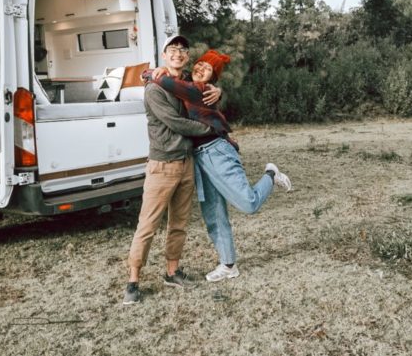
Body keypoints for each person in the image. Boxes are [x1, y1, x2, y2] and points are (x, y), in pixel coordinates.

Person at [147, 49, 292, 283]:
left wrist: (151, 72)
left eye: (208, 69)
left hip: (215, 151)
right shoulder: (192, 86)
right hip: (200, 157)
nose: (201, 69)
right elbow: (173, 83)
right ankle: (228, 265)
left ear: (212, 79)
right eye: (200, 64)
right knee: (214, 214)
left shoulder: (199, 90)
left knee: (248, 203)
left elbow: (166, 82)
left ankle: (270, 174)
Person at [123, 35, 219, 305]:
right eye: (172, 49)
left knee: (179, 223)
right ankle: (132, 281)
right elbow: (176, 122)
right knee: (148, 225)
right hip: (162, 165)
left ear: (187, 56)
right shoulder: (155, 88)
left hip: (187, 163)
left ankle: (172, 272)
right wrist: (211, 130)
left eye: (182, 50)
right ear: (164, 55)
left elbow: (209, 89)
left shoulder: (188, 83)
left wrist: (219, 91)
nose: (178, 53)